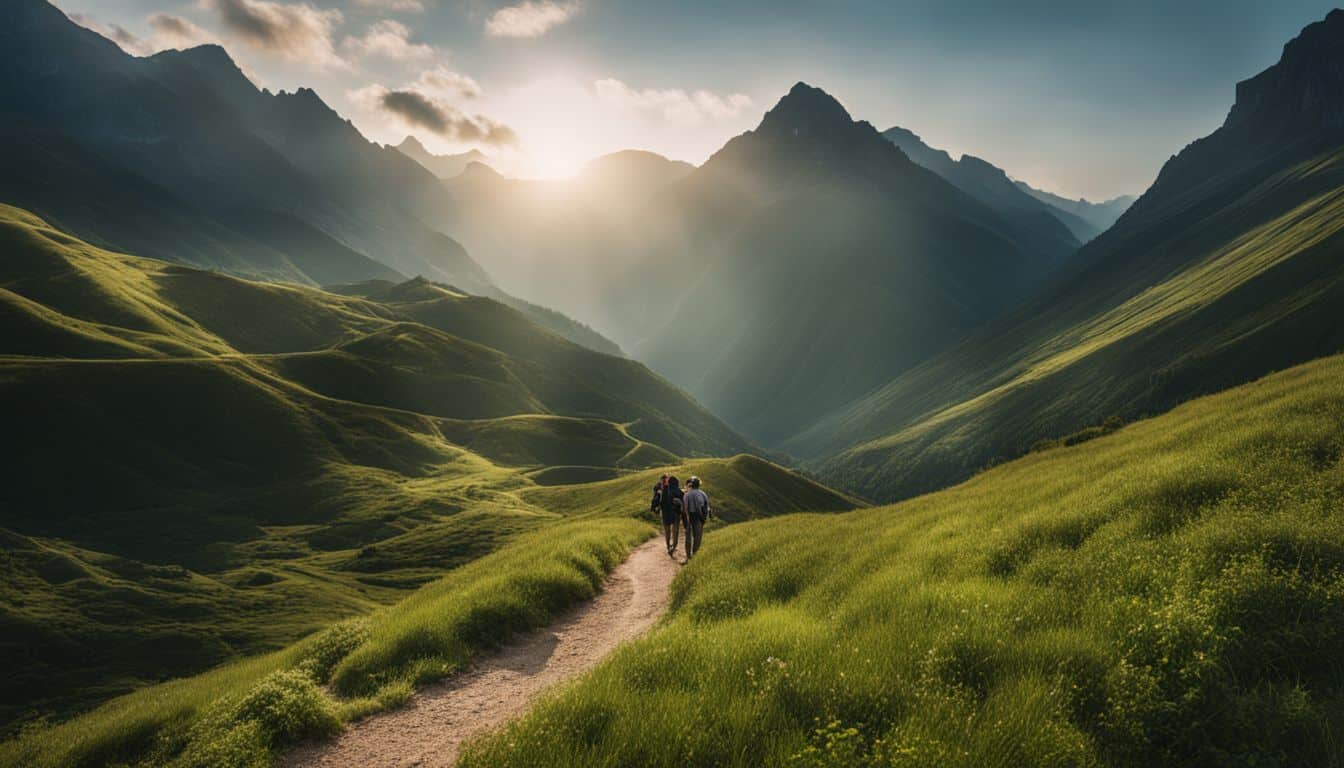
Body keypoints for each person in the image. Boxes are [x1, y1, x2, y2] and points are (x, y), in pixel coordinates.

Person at [682, 475, 710, 559]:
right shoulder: (703, 494)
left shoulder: (687, 495)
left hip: (689, 517)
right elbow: (705, 507)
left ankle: (688, 556)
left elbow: (685, 509)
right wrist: (703, 518)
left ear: (691, 485)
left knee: (688, 538)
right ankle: (695, 555)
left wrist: (687, 520)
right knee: (697, 538)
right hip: (699, 518)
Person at [659, 475, 684, 557]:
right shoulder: (679, 491)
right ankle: (673, 546)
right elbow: (683, 503)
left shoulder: (665, 490)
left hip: (666, 513)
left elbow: (662, 503)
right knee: (675, 530)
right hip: (676, 514)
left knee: (667, 531)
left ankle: (668, 546)